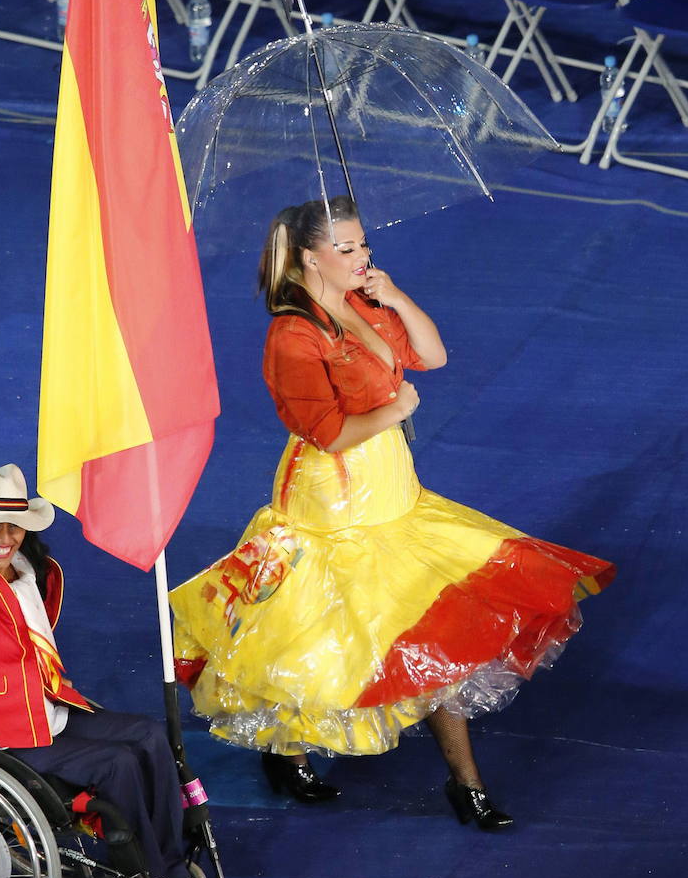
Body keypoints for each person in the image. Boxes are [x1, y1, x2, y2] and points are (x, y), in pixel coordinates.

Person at [170, 197, 615, 827]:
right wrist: (395, 413)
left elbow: (431, 357)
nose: (362, 257)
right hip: (336, 500)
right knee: (322, 634)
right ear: (308, 257)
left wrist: (396, 297)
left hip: (391, 488)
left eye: (363, 246)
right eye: (346, 249)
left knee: (428, 625)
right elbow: (325, 432)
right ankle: (292, 751)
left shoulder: (364, 304)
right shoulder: (293, 335)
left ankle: (464, 783)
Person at [0, 415, 226, 878]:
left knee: (148, 735)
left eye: (12, 525)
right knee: (116, 767)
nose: (3, 536)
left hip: (48, 707)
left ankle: (169, 859)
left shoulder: (33, 575)